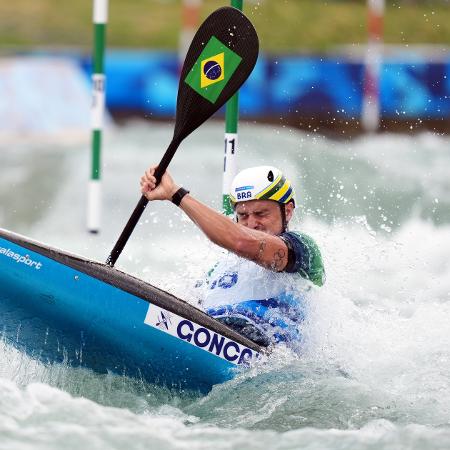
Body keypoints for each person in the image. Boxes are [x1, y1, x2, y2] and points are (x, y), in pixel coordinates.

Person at [140, 165, 325, 347]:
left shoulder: (303, 250)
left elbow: (241, 242)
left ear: (288, 211)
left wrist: (175, 193)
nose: (251, 223)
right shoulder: (221, 269)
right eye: (243, 215)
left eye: (261, 214)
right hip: (214, 338)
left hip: (269, 354)